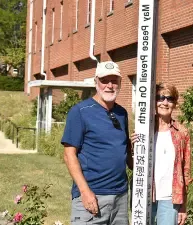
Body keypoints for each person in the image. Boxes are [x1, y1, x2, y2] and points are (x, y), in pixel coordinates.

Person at [61, 61, 133, 225]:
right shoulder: (80, 112)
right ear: (96, 82)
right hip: (93, 194)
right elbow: (69, 155)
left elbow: (125, 152)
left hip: (120, 196)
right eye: (104, 80)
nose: (110, 86)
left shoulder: (121, 113)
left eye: (114, 81)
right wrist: (85, 192)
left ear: (120, 83)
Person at [131, 83, 193, 225]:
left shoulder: (182, 132)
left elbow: (185, 171)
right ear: (154, 101)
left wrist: (183, 206)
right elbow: (133, 165)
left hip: (170, 198)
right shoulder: (143, 129)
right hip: (145, 194)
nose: (165, 102)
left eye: (169, 99)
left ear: (175, 103)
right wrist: (132, 146)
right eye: (160, 97)